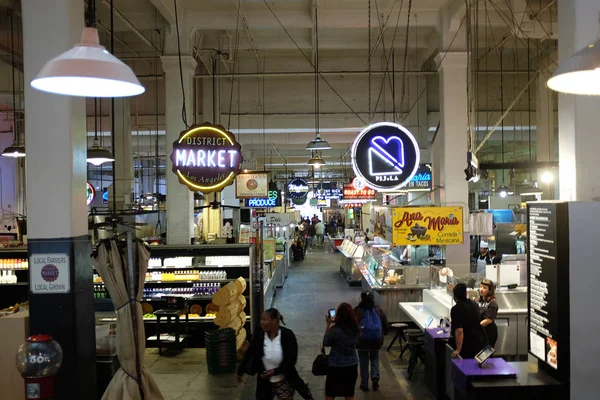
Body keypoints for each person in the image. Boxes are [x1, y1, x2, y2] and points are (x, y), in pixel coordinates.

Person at [238, 309, 313, 400]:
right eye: (262, 319)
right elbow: (251, 351)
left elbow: (291, 360)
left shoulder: (287, 335)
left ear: (274, 321)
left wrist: (275, 371)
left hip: (284, 381)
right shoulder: (260, 334)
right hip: (264, 382)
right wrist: (240, 371)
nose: (262, 322)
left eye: (265, 319)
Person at [323, 303, 360, 400]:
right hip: (351, 365)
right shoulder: (355, 329)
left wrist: (328, 324)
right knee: (349, 395)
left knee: (330, 394)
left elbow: (326, 342)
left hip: (336, 366)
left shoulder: (336, 331)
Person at [354, 292, 389, 392]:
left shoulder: (357, 310)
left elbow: (353, 325)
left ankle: (364, 383)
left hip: (362, 342)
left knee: (363, 361)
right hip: (376, 341)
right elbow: (385, 324)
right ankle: (375, 378)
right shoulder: (378, 309)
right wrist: (385, 332)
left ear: (362, 299)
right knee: (374, 358)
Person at [450, 283, 487, 359]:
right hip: (480, 341)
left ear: (455, 297)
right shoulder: (474, 304)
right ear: (466, 293)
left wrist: (458, 349)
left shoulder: (456, 309)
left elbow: (459, 331)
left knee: (466, 368)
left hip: (467, 344)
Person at [479, 279, 499, 347]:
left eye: (484, 288)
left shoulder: (492, 304)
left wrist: (476, 327)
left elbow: (488, 320)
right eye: (481, 286)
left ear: (490, 290)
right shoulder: (482, 300)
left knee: (486, 355)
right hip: (482, 331)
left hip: (489, 333)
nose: (481, 289)